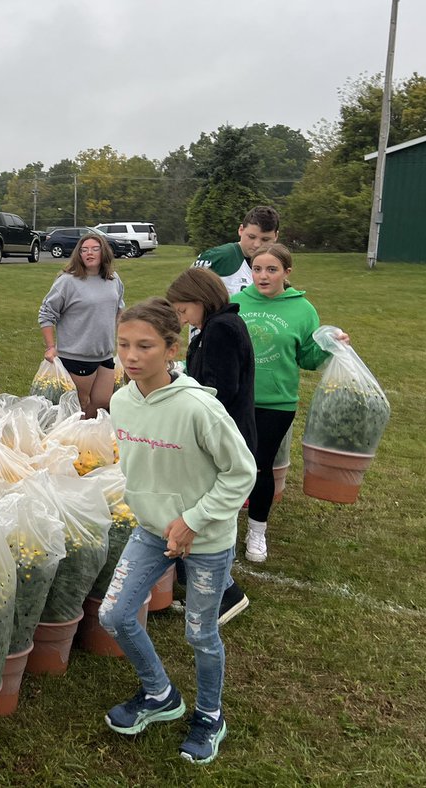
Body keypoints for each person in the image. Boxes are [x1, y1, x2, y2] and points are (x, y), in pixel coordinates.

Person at [100, 298, 255, 765]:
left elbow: (241, 472)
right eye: (124, 344)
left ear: (172, 347)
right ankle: (160, 694)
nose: (131, 355)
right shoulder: (121, 400)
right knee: (114, 615)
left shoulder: (197, 408)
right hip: (150, 529)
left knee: (200, 634)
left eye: (145, 345)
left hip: (204, 537)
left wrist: (193, 520)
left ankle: (210, 715)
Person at [233, 244, 346, 563]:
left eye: (271, 270)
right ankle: (222, 528)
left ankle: (257, 531)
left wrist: (330, 345)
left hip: (277, 402)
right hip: (236, 400)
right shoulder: (236, 303)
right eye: (256, 269)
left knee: (260, 466)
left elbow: (308, 359)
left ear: (287, 273)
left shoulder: (303, 309)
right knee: (227, 464)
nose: (263, 276)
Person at [166, 266, 256, 625]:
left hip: (222, 435)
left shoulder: (221, 329)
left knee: (205, 514)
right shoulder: (212, 327)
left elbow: (221, 388)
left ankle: (227, 594)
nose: (181, 318)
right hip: (218, 432)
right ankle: (201, 586)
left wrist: (180, 391)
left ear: (202, 301)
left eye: (183, 310)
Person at [38, 233, 124, 418]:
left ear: (104, 252)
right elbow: (46, 313)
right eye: (84, 250)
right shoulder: (68, 281)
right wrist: (50, 347)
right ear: (79, 254)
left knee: (103, 401)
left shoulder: (113, 279)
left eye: (94, 249)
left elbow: (119, 308)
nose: (89, 253)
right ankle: (75, 440)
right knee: (81, 404)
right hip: (77, 355)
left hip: (104, 353)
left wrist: (123, 341)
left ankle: (86, 435)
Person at [193, 205, 279, 297]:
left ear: (276, 236)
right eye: (251, 237)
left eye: (265, 239)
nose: (257, 244)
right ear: (241, 230)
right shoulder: (217, 258)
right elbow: (187, 294)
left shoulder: (278, 265)